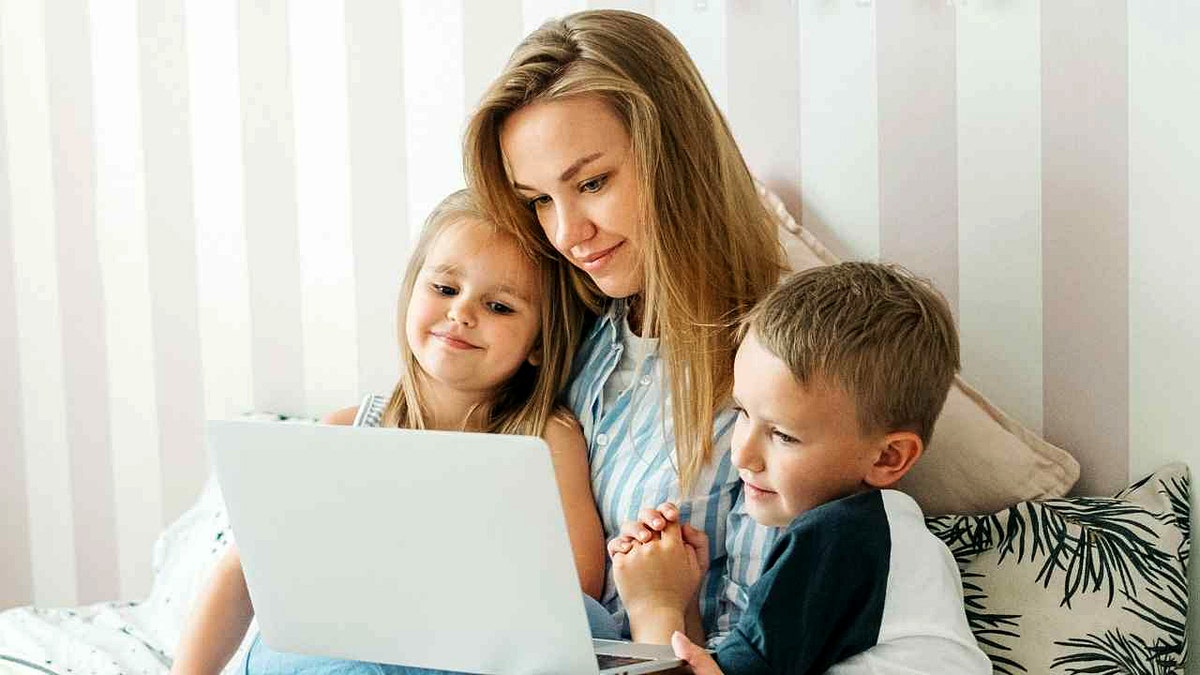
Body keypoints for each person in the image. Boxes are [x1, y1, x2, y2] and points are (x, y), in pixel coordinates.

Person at [170, 190, 606, 675]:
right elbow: (243, 572)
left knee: (584, 626)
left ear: (540, 344)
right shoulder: (345, 432)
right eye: (444, 289)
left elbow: (579, 589)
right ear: (411, 294)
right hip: (343, 649)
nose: (462, 312)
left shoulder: (545, 437)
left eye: (500, 306)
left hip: (473, 653)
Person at [464, 9, 786, 645]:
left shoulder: (776, 367)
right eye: (539, 200)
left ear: (678, 155)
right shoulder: (569, 329)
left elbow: (758, 643)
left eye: (592, 182)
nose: (566, 233)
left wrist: (663, 610)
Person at [607, 263, 993, 674]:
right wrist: (685, 609)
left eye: (784, 436)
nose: (742, 456)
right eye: (741, 412)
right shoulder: (891, 542)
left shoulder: (840, 538)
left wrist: (654, 605)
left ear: (888, 458)